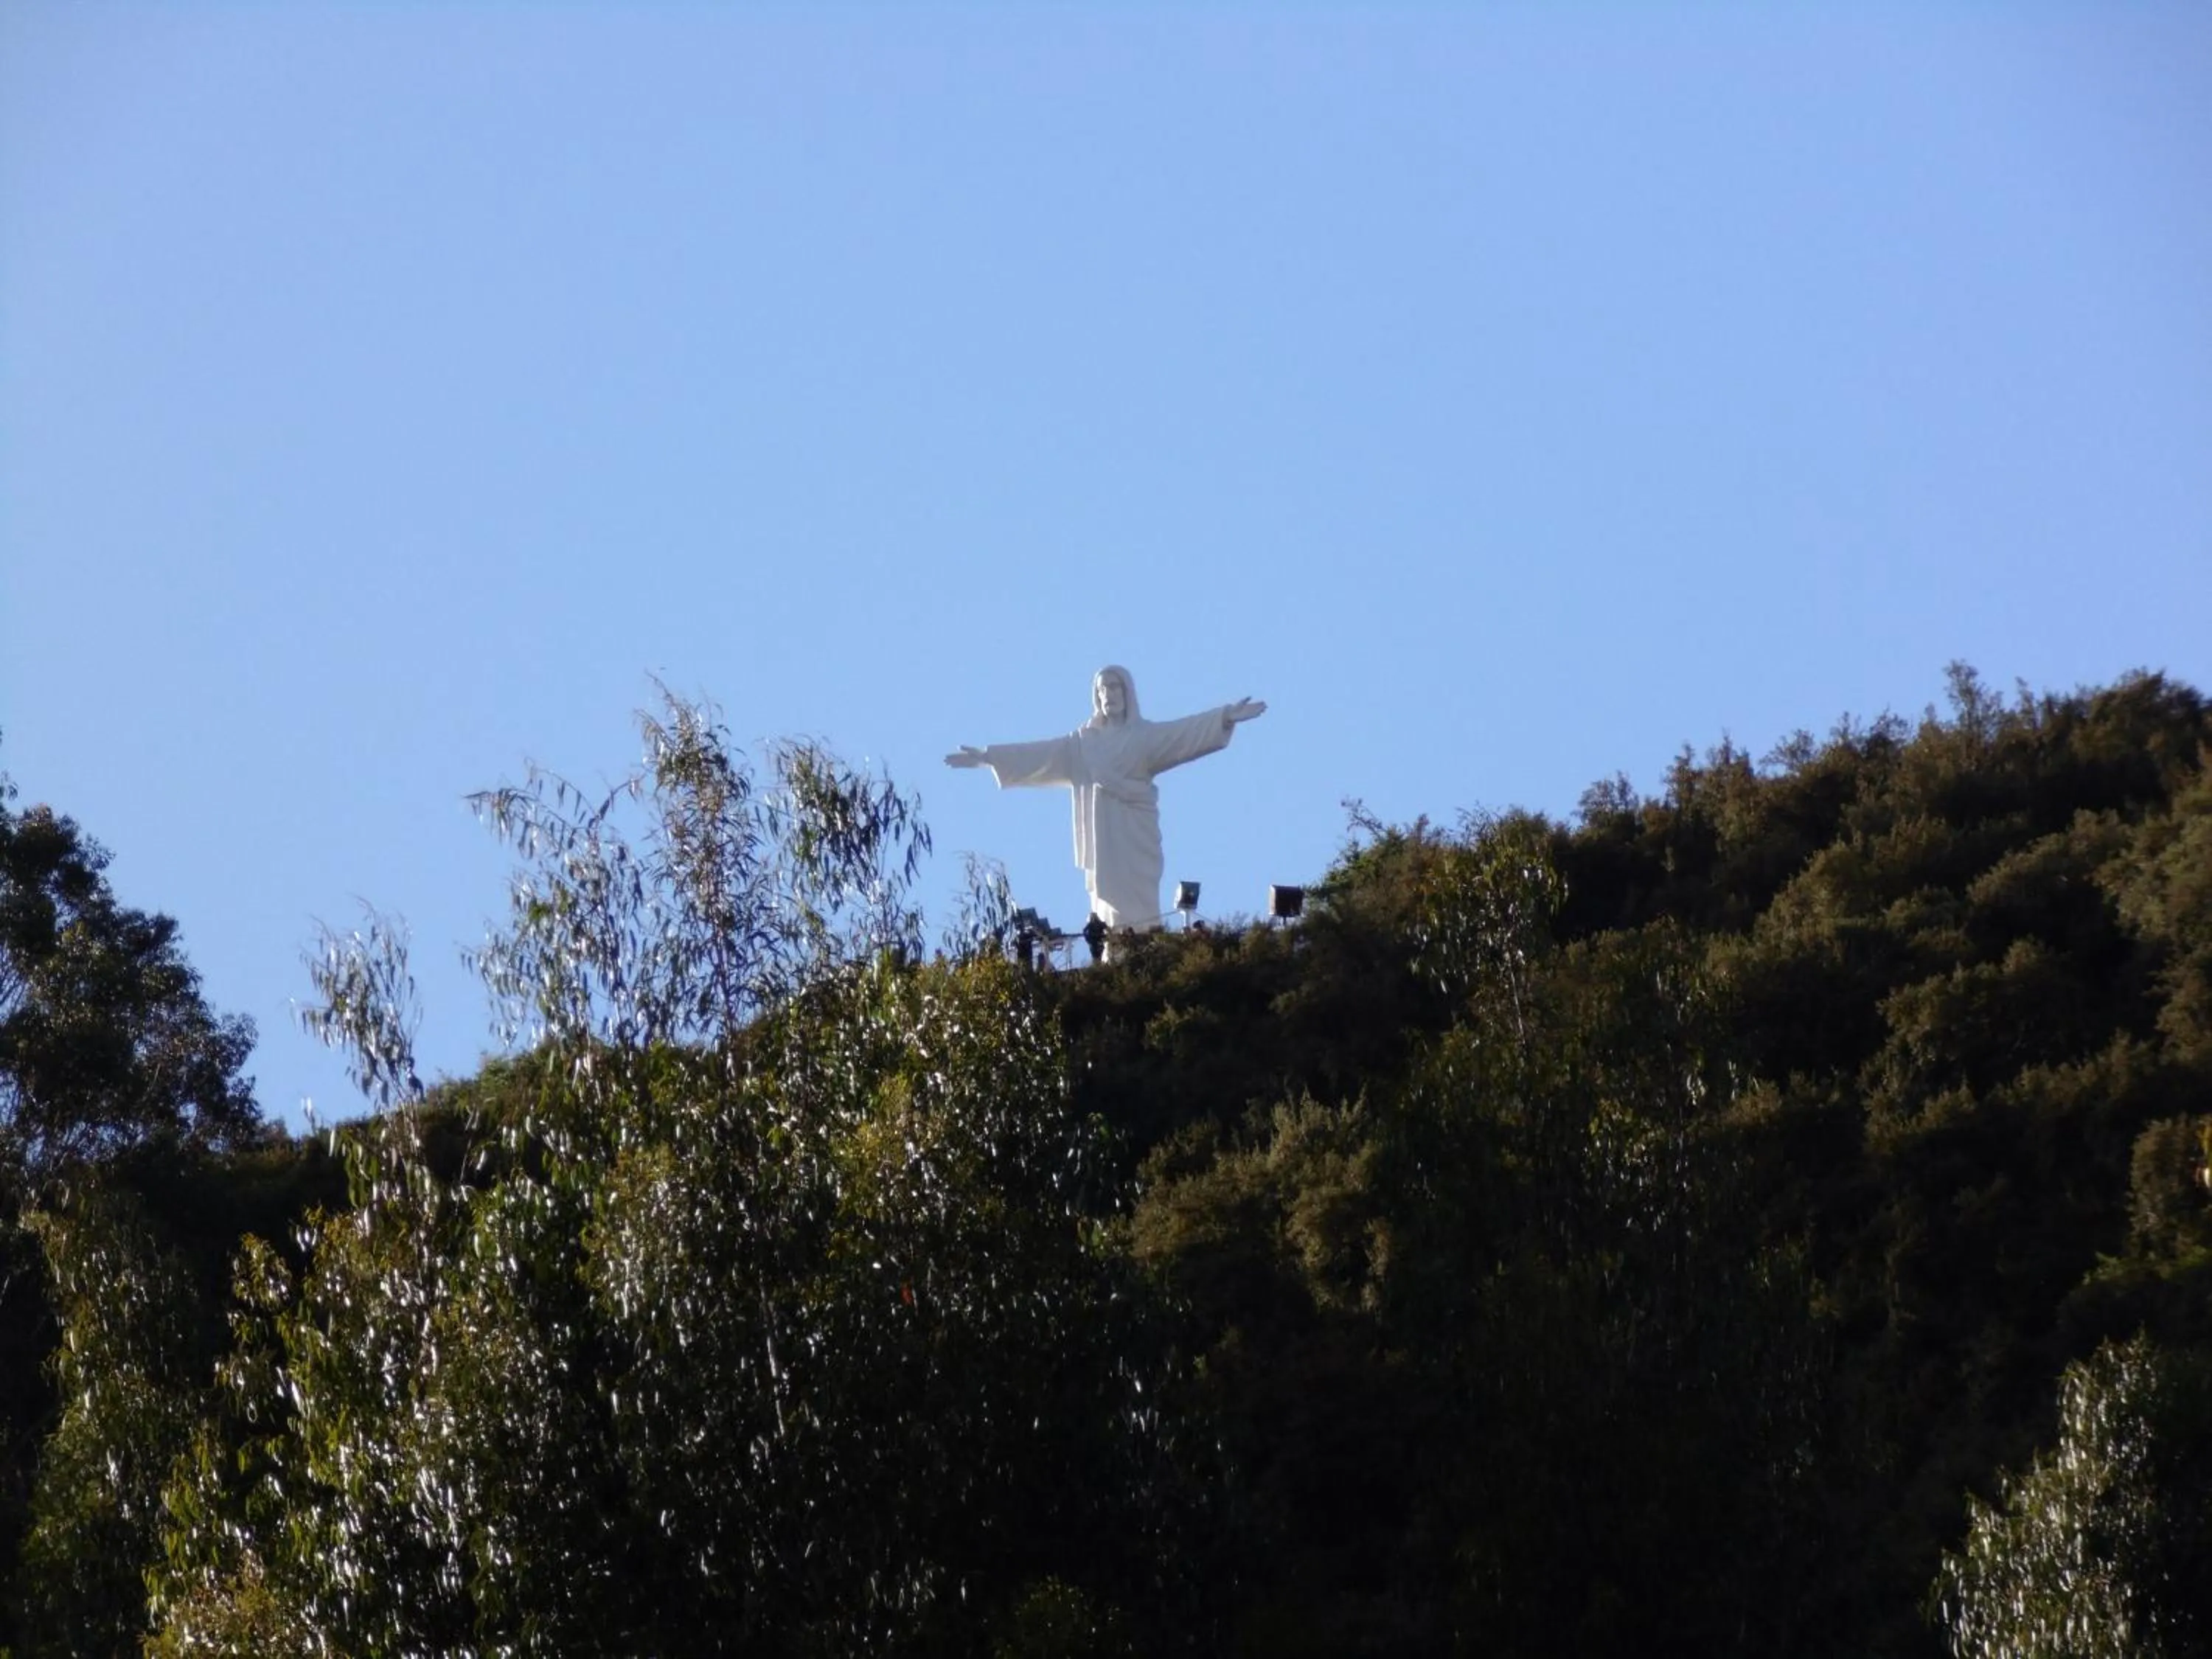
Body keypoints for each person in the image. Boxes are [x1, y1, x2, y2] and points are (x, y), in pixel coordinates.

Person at [946, 665, 1265, 930]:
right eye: (1103, 689)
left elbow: (1182, 734)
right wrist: (989, 757)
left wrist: (1224, 717)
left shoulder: (1144, 737)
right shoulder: (1083, 744)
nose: (1109, 694)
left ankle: (1144, 942)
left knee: (1139, 891)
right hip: (1104, 838)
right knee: (1109, 898)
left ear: (1127, 693)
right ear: (1096, 697)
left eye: (1115, 687)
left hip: (1137, 831)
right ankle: (1117, 947)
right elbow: (1040, 755)